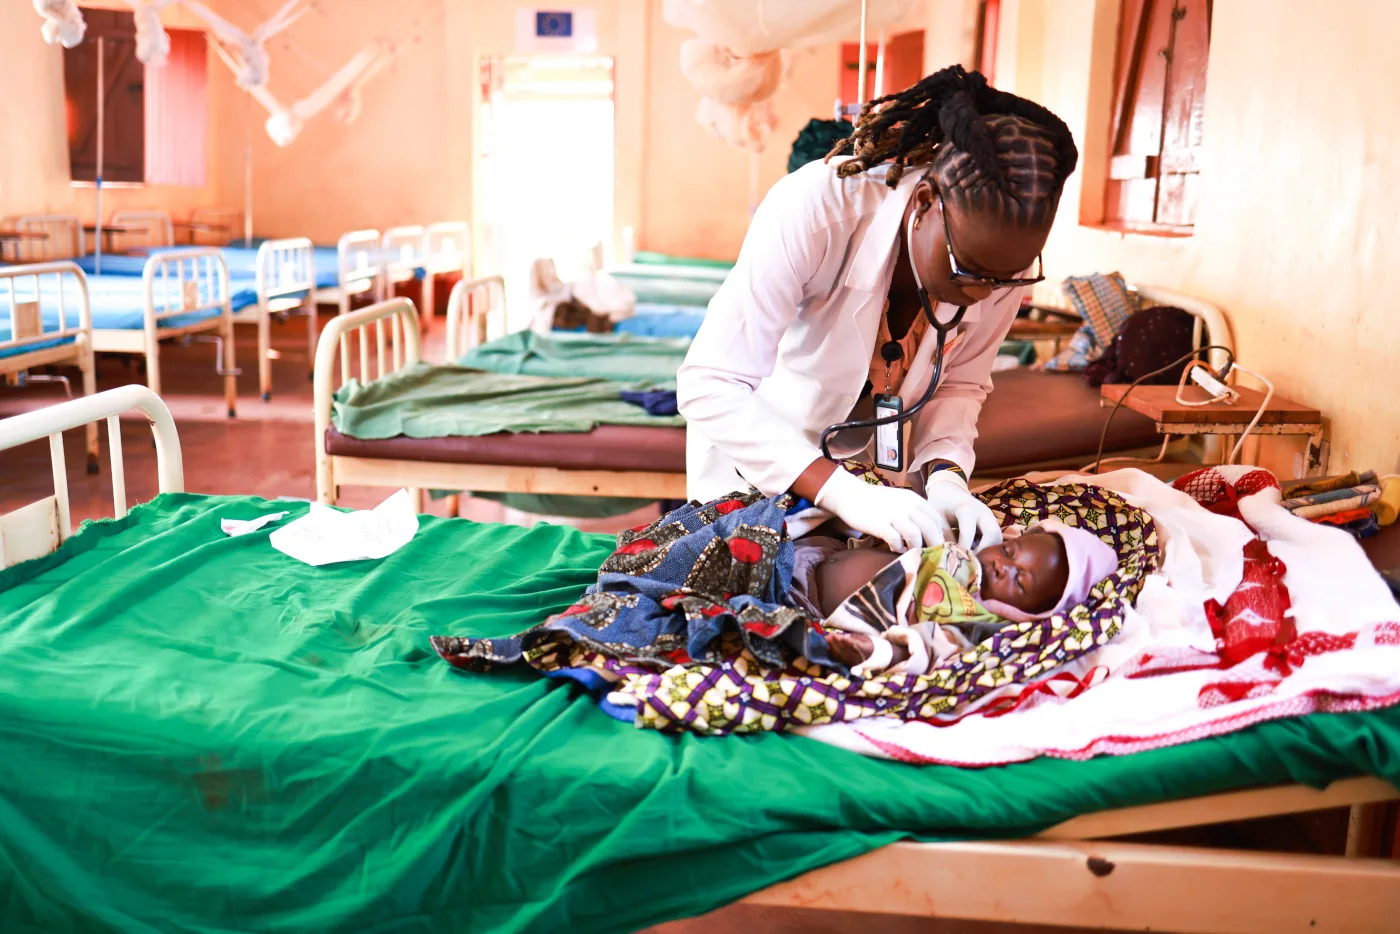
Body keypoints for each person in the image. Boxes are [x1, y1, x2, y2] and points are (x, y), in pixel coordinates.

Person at [677, 67, 1079, 553]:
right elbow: (709, 383)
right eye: (967, 271)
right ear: (926, 202)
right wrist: (842, 493)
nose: (983, 294)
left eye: (1007, 278)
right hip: (764, 465)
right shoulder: (817, 210)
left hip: (878, 482)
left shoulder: (999, 264)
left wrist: (947, 478)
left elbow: (960, 383)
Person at [789, 521, 1118, 676]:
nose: (1003, 567)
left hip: (801, 599)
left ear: (1032, 612)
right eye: (1008, 552)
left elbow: (930, 651)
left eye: (1020, 580)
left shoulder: (976, 622)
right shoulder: (965, 548)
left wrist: (877, 651)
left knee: (748, 566)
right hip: (819, 545)